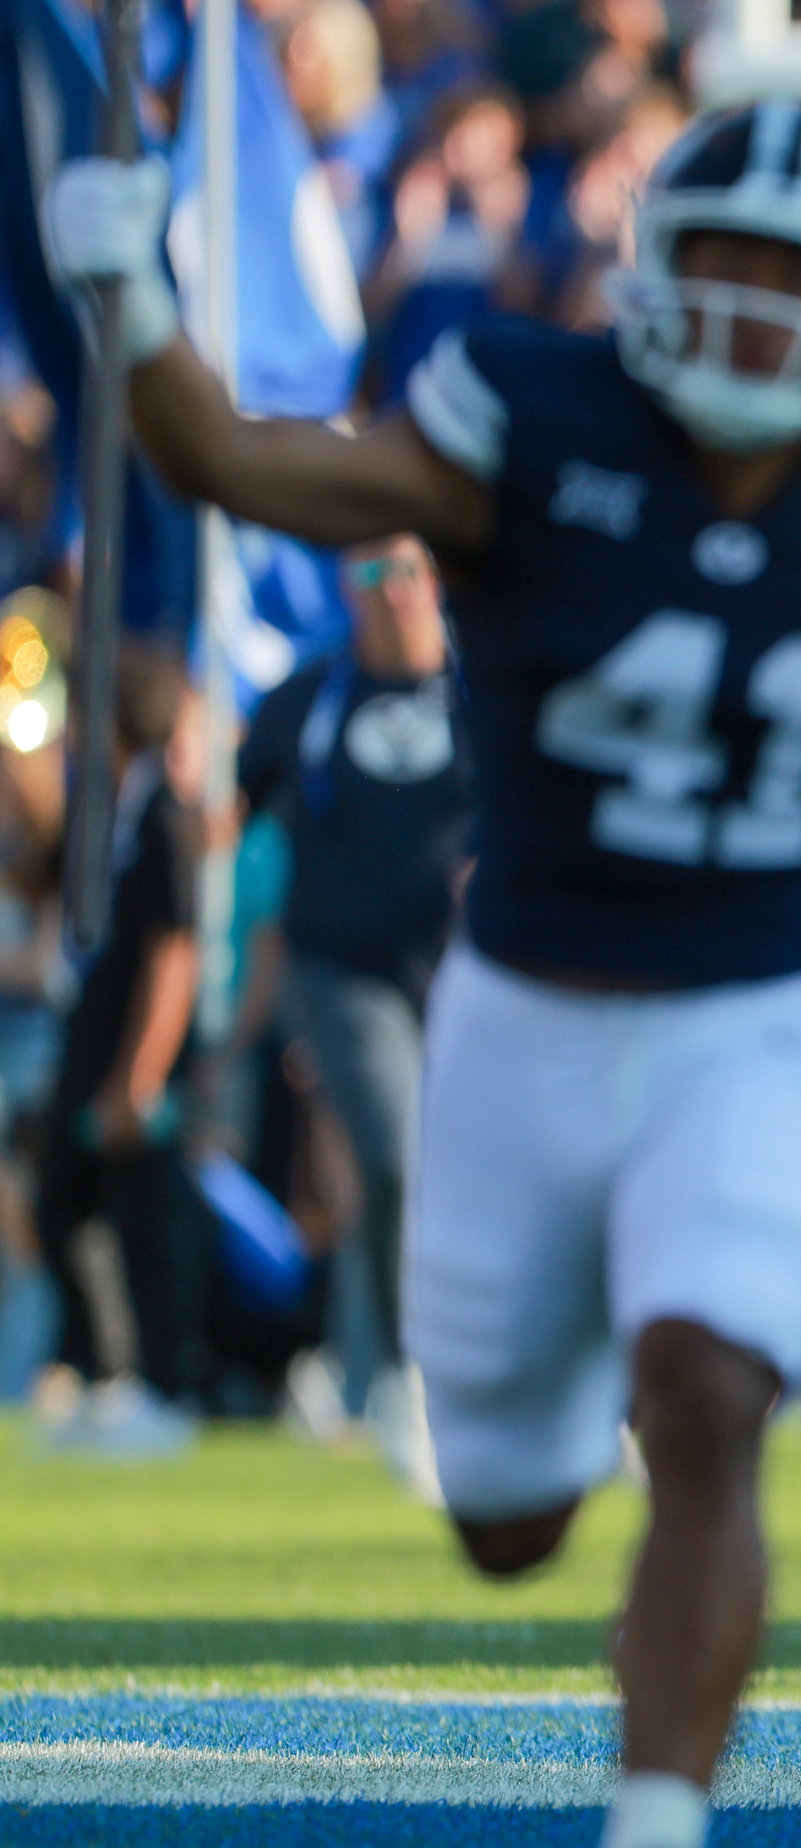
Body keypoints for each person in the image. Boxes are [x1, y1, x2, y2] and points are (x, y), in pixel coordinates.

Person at [44, 99, 801, 1848]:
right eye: (727, 255)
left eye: (800, 275)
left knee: (709, 1393)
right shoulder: (521, 414)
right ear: (657, 259)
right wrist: (123, 284)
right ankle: (556, 1551)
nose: (752, 307)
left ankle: (654, 1843)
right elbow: (220, 454)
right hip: (525, 1017)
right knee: (507, 1522)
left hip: (752, 1015)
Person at [231, 533, 472, 1442]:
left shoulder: (485, 694)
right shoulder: (310, 700)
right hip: (340, 970)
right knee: (392, 1151)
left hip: (464, 978)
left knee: (438, 1182)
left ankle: (363, 1370)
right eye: (371, 573)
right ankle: (413, 1376)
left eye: (407, 570)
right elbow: (232, 803)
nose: (394, 592)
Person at [34, 643, 205, 1453]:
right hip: (88, 1044)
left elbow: (174, 955)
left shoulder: (167, 816)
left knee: (140, 1220)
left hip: (126, 1061)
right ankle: (101, 1375)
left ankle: (158, 1386)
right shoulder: (114, 811)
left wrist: (138, 1076)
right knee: (63, 1204)